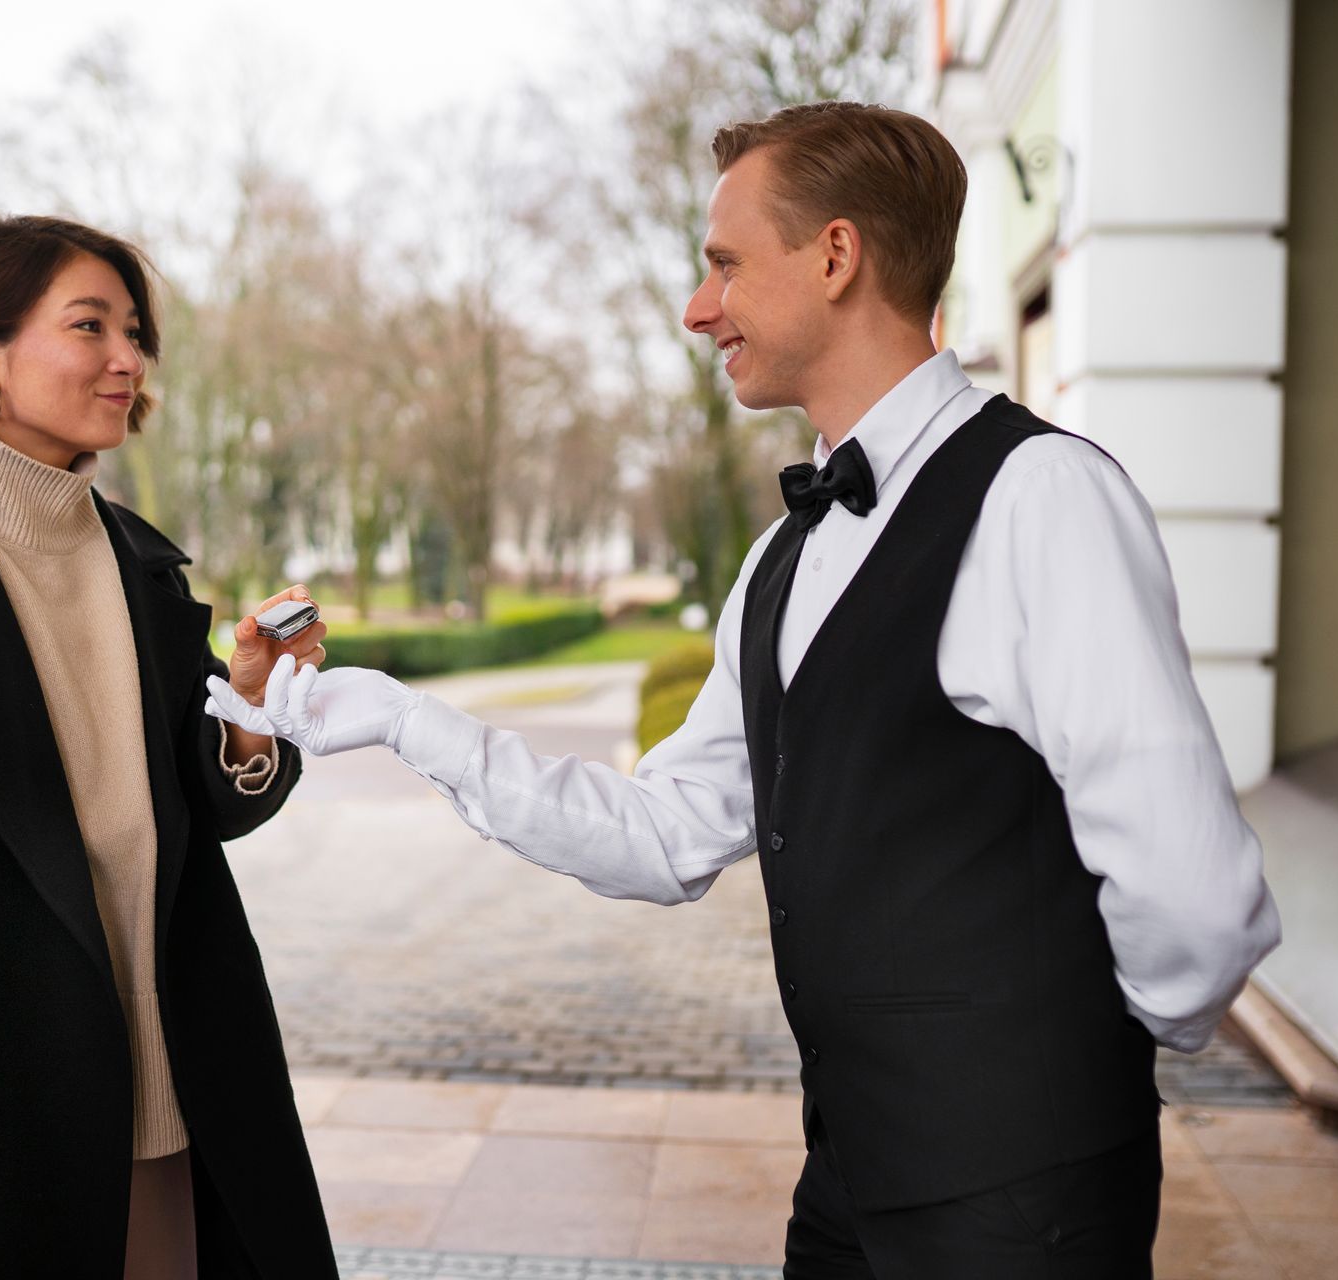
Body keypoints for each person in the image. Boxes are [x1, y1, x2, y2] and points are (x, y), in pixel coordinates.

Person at [207, 103, 1280, 1278]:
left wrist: (1081, 1063)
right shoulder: (784, 555)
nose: (696, 305)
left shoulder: (1043, 498)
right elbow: (667, 832)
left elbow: (1195, 891)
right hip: (847, 1178)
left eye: (723, 263)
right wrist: (413, 723)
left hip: (1026, 1195)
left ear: (835, 254)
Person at [0, 214, 338, 1279]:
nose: (128, 359)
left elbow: (208, 806)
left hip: (177, 1047)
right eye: (89, 326)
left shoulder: (144, 562)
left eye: (133, 331)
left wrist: (248, 701)